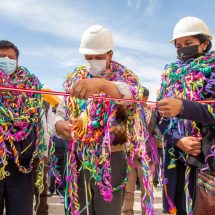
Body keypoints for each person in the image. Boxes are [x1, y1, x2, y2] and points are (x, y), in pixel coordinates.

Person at [54, 25, 149, 215]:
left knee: (108, 209)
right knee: (80, 209)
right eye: (88, 57)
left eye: (98, 57)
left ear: (110, 55)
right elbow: (61, 110)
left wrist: (101, 84)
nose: (93, 61)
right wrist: (58, 124)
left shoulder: (126, 77)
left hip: (113, 156)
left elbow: (130, 96)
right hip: (79, 157)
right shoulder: (76, 78)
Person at [156, 16, 214, 215]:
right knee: (177, 208)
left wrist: (183, 107)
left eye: (188, 43)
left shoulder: (212, 70)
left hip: (205, 157)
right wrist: (178, 139)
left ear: (204, 43)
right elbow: (159, 118)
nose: (182, 49)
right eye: (178, 45)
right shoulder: (170, 74)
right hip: (175, 156)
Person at [0, 40, 48, 215]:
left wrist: (42, 154)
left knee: (21, 210)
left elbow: (41, 123)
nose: (6, 60)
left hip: (23, 163)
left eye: (10, 57)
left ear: (17, 61)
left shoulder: (31, 86)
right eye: (1, 56)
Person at [122, 86, 162, 215]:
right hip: (129, 156)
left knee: (147, 188)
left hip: (147, 157)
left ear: (145, 98)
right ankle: (127, 212)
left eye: (138, 96)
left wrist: (144, 148)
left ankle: (147, 212)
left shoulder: (153, 114)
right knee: (128, 189)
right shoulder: (128, 112)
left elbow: (158, 136)